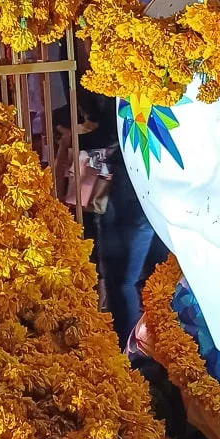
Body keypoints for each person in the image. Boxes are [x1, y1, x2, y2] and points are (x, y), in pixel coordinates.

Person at [93, 94, 157, 349]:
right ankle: (139, 348)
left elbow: (113, 132)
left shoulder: (137, 91)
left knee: (123, 281)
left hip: (135, 198)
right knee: (137, 280)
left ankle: (130, 351)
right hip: (135, 194)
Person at [53, 99, 111, 292]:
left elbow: (59, 175)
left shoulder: (74, 138)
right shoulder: (109, 138)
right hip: (101, 203)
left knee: (93, 256)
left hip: (81, 203)